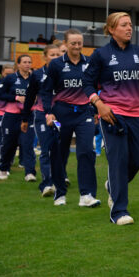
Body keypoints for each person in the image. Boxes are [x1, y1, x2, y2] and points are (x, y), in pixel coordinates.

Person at [83, 12, 139, 225]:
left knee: (138, 159)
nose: (129, 28)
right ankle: (119, 211)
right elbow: (87, 83)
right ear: (112, 29)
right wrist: (99, 104)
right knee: (118, 161)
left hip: (137, 114)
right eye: (124, 25)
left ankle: (112, 185)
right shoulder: (101, 54)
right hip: (112, 114)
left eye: (130, 24)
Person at [42, 29, 101, 207]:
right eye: (73, 43)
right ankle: (60, 193)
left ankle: (86, 195)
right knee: (59, 153)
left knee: (86, 152)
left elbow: (95, 88)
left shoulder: (90, 63)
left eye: (79, 43)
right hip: (61, 114)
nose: (77, 46)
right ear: (66, 44)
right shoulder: (56, 64)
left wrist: (96, 110)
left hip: (84, 113)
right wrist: (48, 112)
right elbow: (46, 91)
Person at [22, 43, 63, 198]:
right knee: (46, 148)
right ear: (44, 57)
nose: (55, 57)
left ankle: (60, 177)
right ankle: (47, 184)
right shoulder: (37, 74)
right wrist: (25, 118)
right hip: (42, 117)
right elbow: (29, 97)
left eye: (58, 54)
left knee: (60, 147)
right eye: (52, 55)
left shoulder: (67, 72)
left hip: (61, 117)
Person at [0, 55, 36, 181]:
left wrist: (35, 98)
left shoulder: (35, 78)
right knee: (9, 144)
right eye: (25, 62)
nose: (27, 64)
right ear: (18, 64)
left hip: (28, 116)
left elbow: (41, 94)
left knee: (27, 144)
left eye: (29, 62)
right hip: (11, 116)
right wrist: (16, 98)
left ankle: (30, 173)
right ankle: (4, 168)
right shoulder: (10, 78)